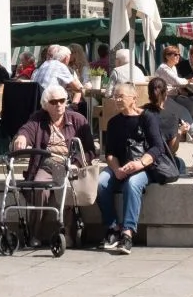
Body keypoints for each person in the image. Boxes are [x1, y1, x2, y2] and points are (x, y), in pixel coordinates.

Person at [10, 84, 92, 245]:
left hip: (68, 163)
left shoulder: (78, 120)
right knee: (39, 187)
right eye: (54, 102)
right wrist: (22, 138)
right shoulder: (38, 118)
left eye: (62, 101)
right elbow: (27, 130)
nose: (59, 105)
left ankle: (67, 233)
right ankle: (35, 233)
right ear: (45, 104)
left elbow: (89, 150)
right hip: (46, 163)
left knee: (67, 189)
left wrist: (76, 163)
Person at [100, 82, 164, 255]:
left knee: (132, 184)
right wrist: (116, 169)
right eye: (115, 97)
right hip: (120, 165)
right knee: (101, 182)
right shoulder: (113, 122)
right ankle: (112, 228)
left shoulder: (148, 118)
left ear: (134, 98)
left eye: (121, 96)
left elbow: (158, 147)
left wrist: (140, 164)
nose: (117, 100)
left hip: (144, 167)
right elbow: (110, 153)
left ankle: (127, 233)